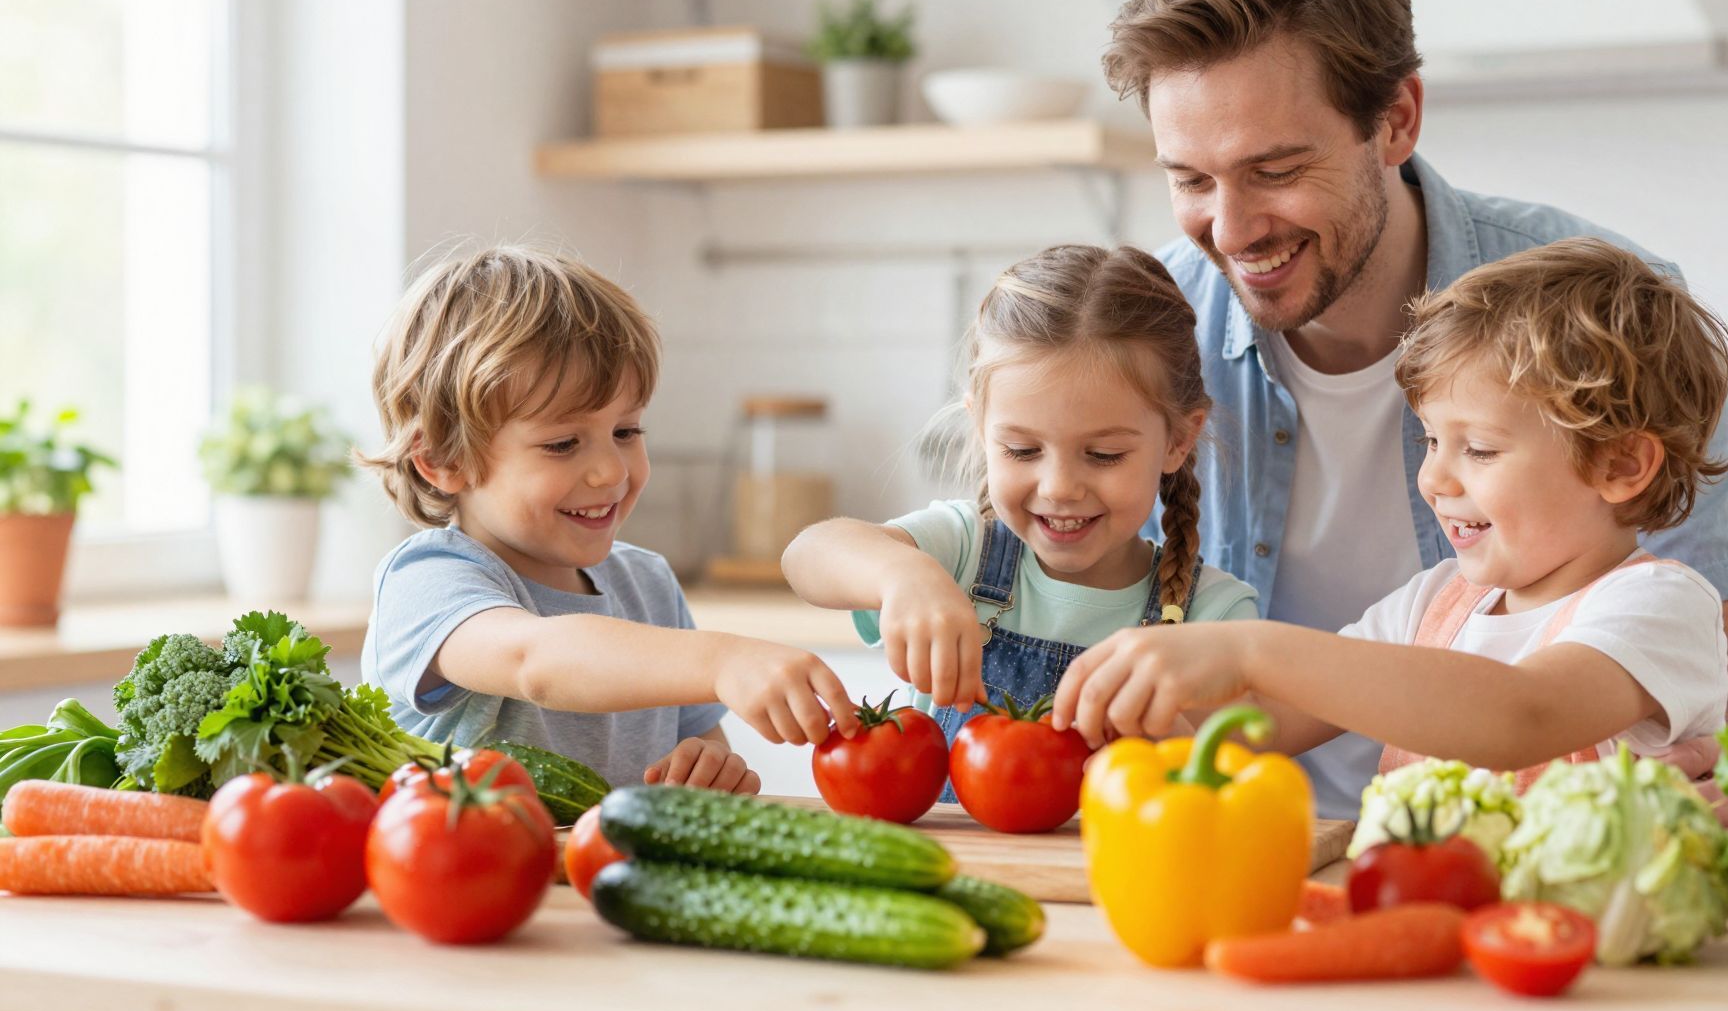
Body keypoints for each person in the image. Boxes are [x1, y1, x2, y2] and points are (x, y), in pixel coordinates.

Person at [1099, 0, 1728, 818]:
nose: (1229, 232)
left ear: (1396, 120)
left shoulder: (1600, 323)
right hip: (1279, 851)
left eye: (1274, 170)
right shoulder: (1142, 326)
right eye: (1192, 180)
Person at [1055, 239, 1728, 788]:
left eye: (1480, 449)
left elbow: (1521, 715)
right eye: (1433, 440)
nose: (1434, 477)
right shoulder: (1436, 603)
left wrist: (1251, 648)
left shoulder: (1658, 607)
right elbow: (1267, 718)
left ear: (1620, 466)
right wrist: (1143, 711)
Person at [359, 243, 859, 794]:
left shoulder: (647, 584)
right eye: (563, 443)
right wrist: (723, 656)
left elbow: (701, 740)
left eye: (626, 432)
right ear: (443, 461)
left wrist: (708, 765)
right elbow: (536, 660)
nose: (609, 471)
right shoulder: (426, 581)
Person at [782, 244, 1258, 762]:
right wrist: (902, 575)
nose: (1058, 487)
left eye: (1103, 454)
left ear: (1178, 442)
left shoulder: (1214, 613)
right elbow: (807, 554)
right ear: (981, 430)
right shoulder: (961, 551)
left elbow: (1229, 763)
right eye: (1023, 450)